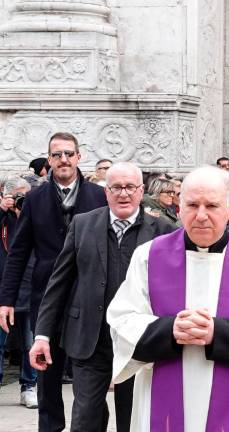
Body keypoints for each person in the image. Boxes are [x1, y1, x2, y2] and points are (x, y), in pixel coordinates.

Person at [106, 166, 229, 431]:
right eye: (192, 205)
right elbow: (122, 321)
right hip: (162, 401)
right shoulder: (148, 256)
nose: (201, 215)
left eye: (212, 205)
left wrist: (216, 333)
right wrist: (169, 329)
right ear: (179, 208)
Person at [28, 162, 175, 432]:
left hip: (139, 345)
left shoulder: (163, 232)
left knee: (133, 420)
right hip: (89, 341)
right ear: (106, 191)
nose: (123, 194)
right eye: (116, 187)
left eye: (130, 187)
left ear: (141, 191)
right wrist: (42, 335)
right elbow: (59, 283)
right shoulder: (83, 224)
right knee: (85, 419)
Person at [0, 132, 108, 431]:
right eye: (57, 154)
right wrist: (6, 300)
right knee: (47, 371)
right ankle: (50, 427)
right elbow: (19, 252)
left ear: (79, 157)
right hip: (46, 297)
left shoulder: (99, 197)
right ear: (49, 159)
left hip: (89, 297)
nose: (63, 160)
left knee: (90, 371)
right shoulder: (35, 198)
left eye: (69, 154)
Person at [0, 178, 38, 409]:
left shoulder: (34, 216)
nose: (21, 200)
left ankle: (29, 386)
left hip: (30, 289)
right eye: (17, 195)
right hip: (3, 291)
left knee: (31, 343)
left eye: (26, 195)